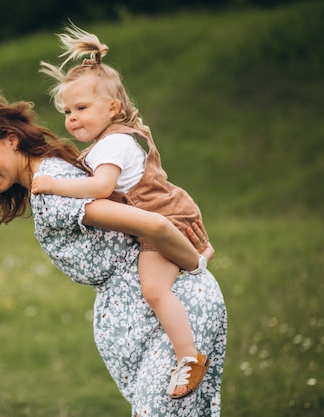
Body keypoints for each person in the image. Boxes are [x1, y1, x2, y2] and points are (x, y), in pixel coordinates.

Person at [0, 91, 227, 416]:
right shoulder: (53, 177)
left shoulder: (53, 189)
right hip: (158, 321)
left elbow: (156, 225)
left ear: (11, 140)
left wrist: (198, 262)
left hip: (172, 319)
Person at [31, 23, 209, 398]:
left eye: (81, 108)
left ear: (112, 107)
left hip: (165, 219)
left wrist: (53, 185)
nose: (72, 118)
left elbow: (100, 189)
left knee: (154, 290)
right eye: (67, 111)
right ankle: (197, 257)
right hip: (164, 213)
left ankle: (189, 357)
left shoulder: (113, 145)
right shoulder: (110, 141)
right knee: (158, 284)